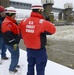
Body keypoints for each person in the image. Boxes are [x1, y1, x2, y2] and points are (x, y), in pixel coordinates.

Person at [19, 4, 56, 75]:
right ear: (40, 10)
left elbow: (20, 34)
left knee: (30, 65)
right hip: (39, 51)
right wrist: (48, 21)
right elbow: (52, 30)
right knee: (40, 68)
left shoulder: (24, 21)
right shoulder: (43, 22)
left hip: (29, 49)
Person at [2, 8, 20, 73]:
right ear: (11, 14)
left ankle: (14, 63)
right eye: (14, 15)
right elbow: (8, 34)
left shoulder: (10, 21)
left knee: (14, 54)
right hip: (12, 43)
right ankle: (12, 68)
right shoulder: (7, 23)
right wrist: (14, 42)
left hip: (12, 42)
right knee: (15, 55)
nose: (15, 16)